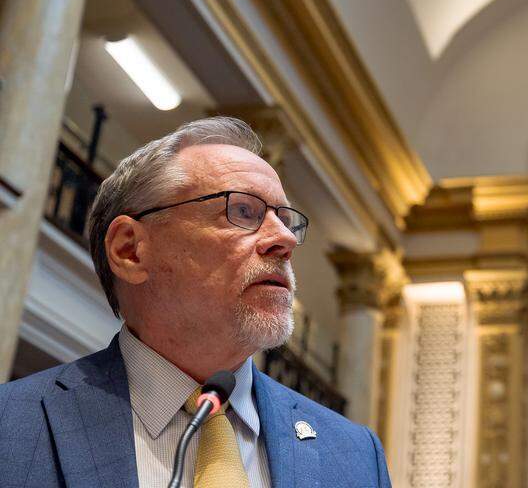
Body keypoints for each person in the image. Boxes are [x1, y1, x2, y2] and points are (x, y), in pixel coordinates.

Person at [0, 117, 392, 488]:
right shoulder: (12, 424)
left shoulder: (355, 455)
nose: (284, 240)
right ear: (130, 250)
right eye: (242, 211)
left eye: (285, 221)